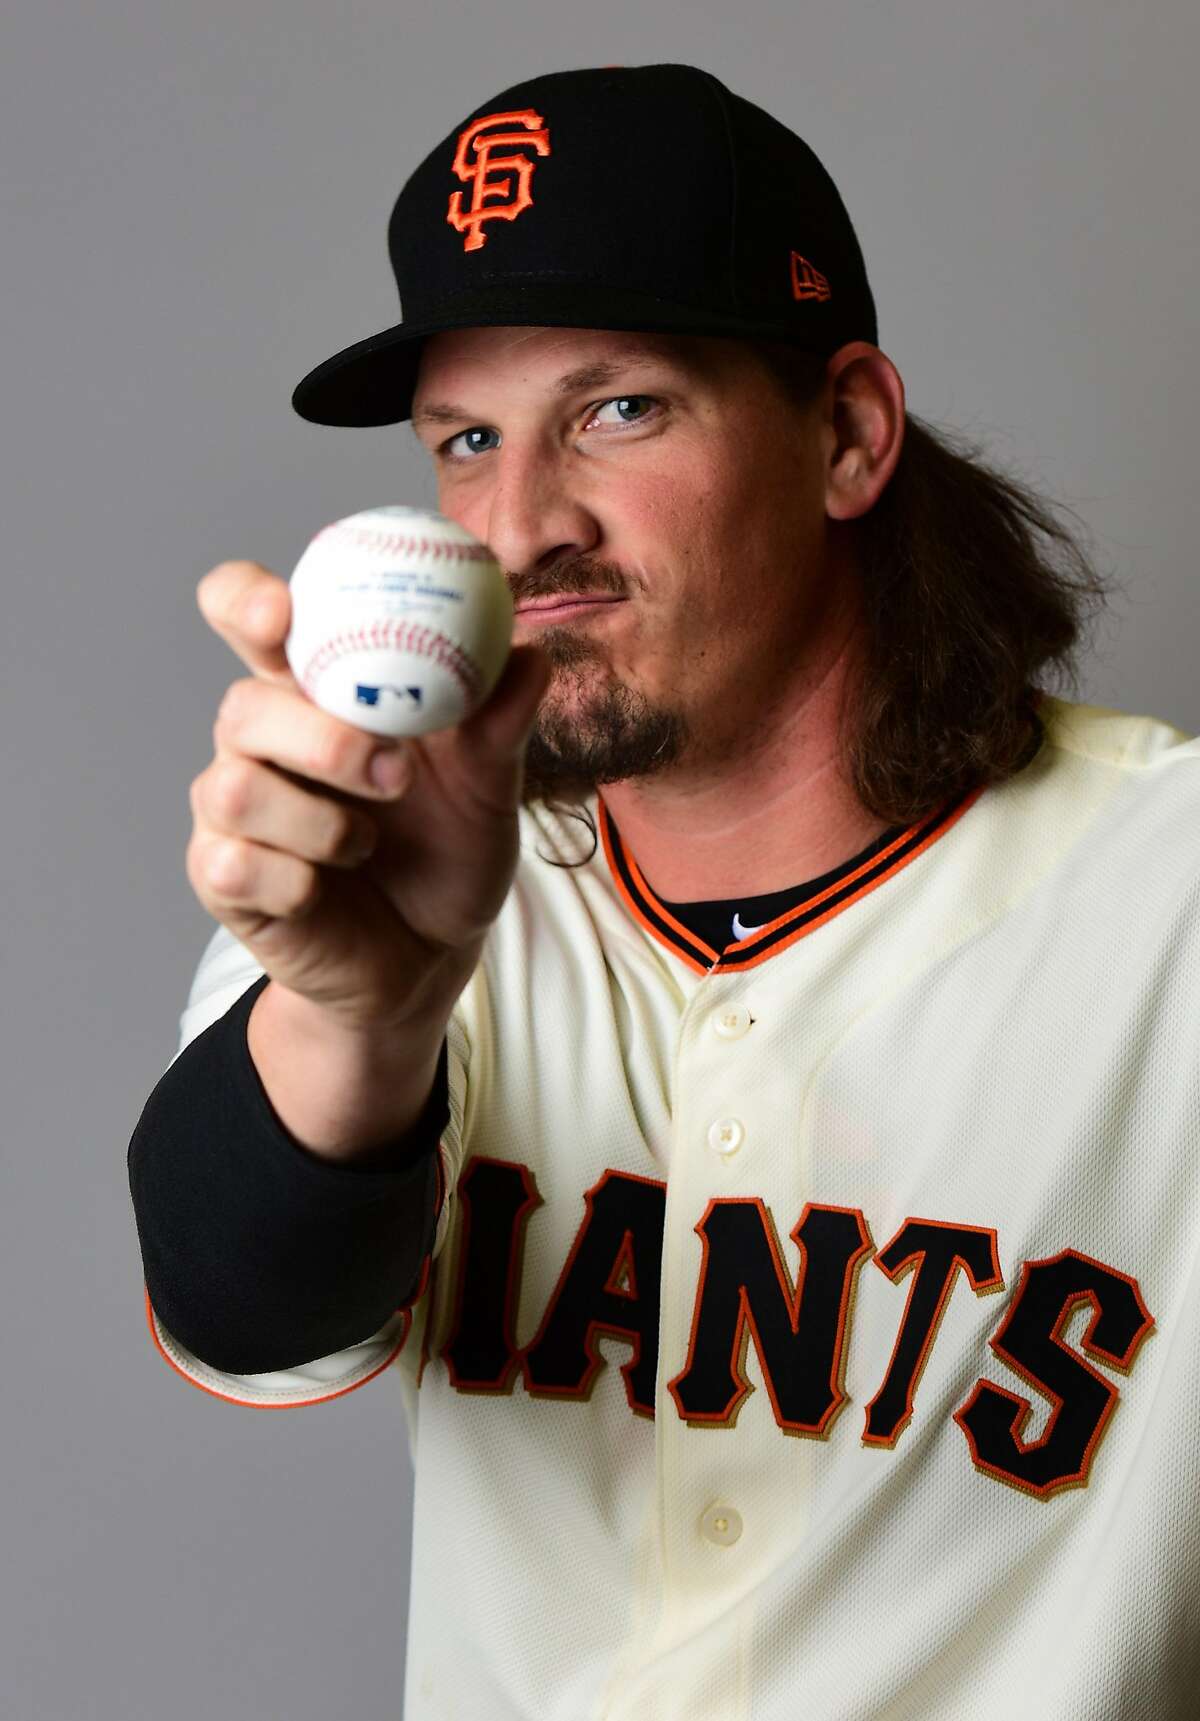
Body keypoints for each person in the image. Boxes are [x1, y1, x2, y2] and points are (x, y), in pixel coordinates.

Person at [127, 63, 1200, 1720]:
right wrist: (369, 1013)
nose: (522, 522)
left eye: (617, 407)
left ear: (846, 434)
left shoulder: (1169, 891)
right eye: (466, 439)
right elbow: (246, 1305)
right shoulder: (409, 881)